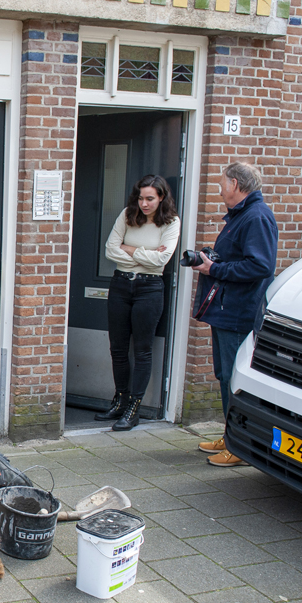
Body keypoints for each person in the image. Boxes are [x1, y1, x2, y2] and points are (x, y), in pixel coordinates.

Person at [191, 161, 279, 467]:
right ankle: (231, 435)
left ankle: (240, 446)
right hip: (226, 310)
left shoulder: (256, 217)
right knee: (224, 374)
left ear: (236, 185)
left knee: (235, 378)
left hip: (239, 312)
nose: (219, 190)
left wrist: (214, 269)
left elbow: (260, 266)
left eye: (222, 184)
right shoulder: (243, 216)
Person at [97, 174, 181, 431]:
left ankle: (134, 408)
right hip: (121, 285)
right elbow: (110, 250)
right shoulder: (127, 215)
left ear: (161, 198)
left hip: (150, 288)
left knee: (143, 349)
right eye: (141, 198)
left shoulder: (171, 222)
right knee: (118, 348)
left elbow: (161, 261)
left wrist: (129, 249)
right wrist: (147, 255)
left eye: (150, 199)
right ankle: (120, 400)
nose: (144, 204)